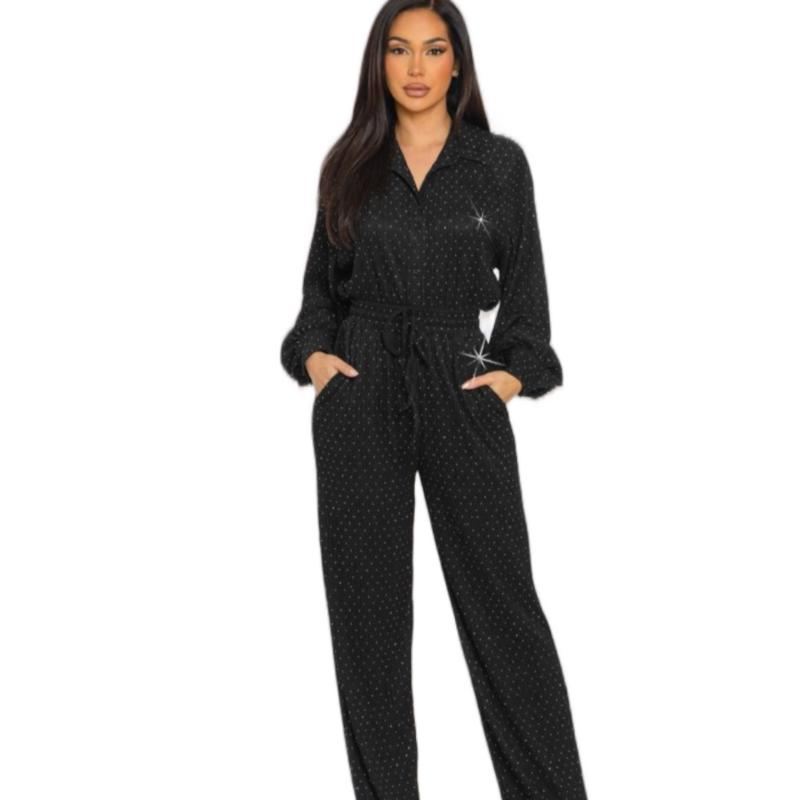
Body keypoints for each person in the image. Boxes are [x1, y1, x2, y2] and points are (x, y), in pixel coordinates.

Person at [280, 2, 589, 798]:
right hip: (361, 390)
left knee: (505, 613)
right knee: (368, 626)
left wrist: (512, 374)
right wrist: (317, 358)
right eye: (399, 50)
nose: (416, 67)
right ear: (379, 63)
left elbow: (527, 297)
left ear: (458, 63)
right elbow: (320, 294)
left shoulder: (499, 165)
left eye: (433, 49)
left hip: (462, 380)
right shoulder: (349, 164)